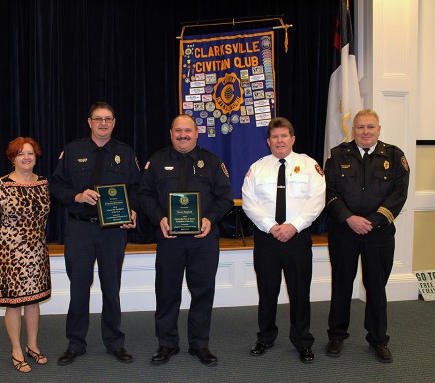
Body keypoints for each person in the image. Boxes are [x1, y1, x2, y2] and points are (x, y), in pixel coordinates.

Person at [138, 114, 233, 366]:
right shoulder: (157, 162)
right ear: (170, 133)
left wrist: (209, 219)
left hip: (203, 240)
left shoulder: (212, 163)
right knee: (167, 292)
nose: (183, 135)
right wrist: (159, 218)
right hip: (169, 239)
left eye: (188, 131)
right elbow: (145, 195)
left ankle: (199, 344)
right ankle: (166, 343)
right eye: (178, 130)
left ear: (196, 133)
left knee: (203, 292)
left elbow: (225, 198)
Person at [50, 101, 140, 366]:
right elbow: (56, 184)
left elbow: (136, 188)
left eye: (108, 119)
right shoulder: (73, 149)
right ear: (89, 122)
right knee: (79, 289)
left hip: (113, 232)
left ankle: (114, 342)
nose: (103, 123)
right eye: (98, 119)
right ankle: (75, 343)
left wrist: (132, 210)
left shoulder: (124, 153)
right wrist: (76, 195)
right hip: (80, 230)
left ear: (114, 122)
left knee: (112, 289)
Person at [324, 109, 409, 363]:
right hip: (344, 231)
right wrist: (350, 218)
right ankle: (336, 336)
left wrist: (372, 221)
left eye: (370, 127)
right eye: (360, 127)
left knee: (376, 286)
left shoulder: (394, 156)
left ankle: (378, 339)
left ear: (379, 129)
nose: (365, 132)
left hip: (379, 233)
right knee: (341, 284)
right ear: (353, 129)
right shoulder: (337, 155)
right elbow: (328, 192)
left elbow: (399, 195)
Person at [242, 117, 326, 363]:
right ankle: (265, 337)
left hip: (297, 239)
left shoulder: (309, 166)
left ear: (293, 139)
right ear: (268, 141)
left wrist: (293, 226)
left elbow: (317, 200)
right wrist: (271, 226)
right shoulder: (257, 168)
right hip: (267, 240)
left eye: (284, 136)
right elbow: (249, 202)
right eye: (275, 137)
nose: (279, 140)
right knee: (267, 292)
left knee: (300, 292)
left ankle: (302, 341)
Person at [0, 137, 51, 373]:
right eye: (21, 154)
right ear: (13, 159)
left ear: (35, 157)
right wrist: (6, 243)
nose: (26, 157)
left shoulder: (43, 183)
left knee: (33, 301)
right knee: (14, 304)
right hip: (11, 255)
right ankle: (16, 350)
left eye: (30, 153)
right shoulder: (1, 185)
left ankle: (32, 345)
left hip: (38, 251)